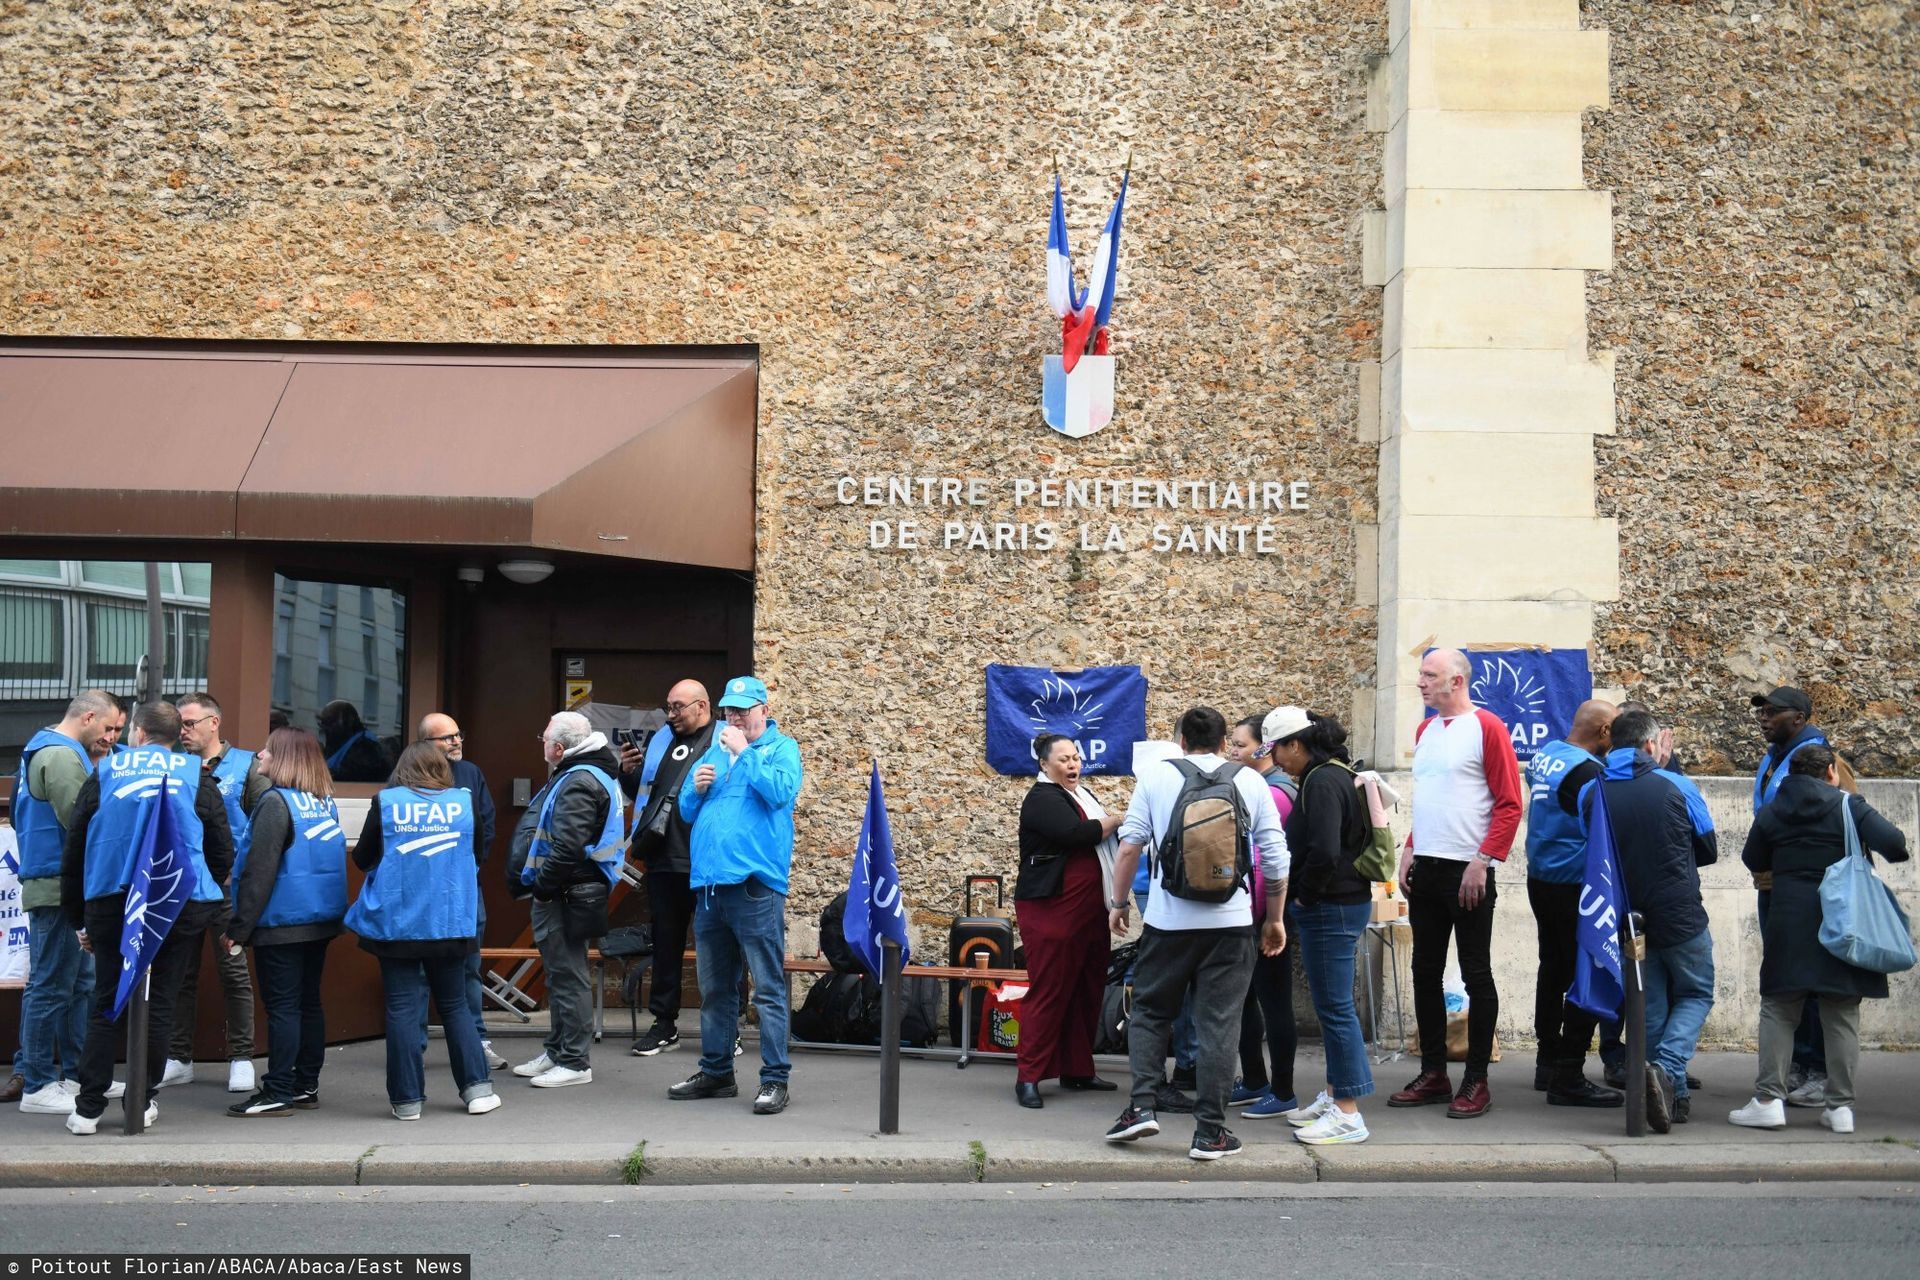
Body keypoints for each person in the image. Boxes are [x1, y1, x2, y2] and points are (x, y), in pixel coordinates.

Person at [1103, 706, 1288, 1162]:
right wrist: (1274, 918)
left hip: (1169, 924)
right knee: (1220, 1025)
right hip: (1231, 926)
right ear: (1225, 743)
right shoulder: (1250, 781)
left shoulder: (1157, 778)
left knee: (1149, 1012)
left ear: (1180, 740)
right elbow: (1276, 857)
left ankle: (1141, 1107)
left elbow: (1129, 847)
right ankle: (1210, 1132)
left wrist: (1119, 903)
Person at [60, 700, 234, 1135]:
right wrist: (201, 891)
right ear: (177, 735)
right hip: (179, 901)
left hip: (111, 897)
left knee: (105, 1002)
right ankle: (143, 1098)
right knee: (161, 1004)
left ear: (137, 731)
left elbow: (75, 847)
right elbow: (222, 847)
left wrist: (78, 917)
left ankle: (88, 1108)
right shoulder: (197, 776)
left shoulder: (103, 774)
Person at [1730, 745, 1909, 1134]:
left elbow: (1752, 858)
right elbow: (1895, 845)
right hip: (1842, 919)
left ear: (1792, 774)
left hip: (1789, 918)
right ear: (1831, 771)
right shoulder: (1848, 805)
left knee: (1780, 1008)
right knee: (1841, 1011)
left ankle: (1768, 1101)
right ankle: (1840, 1108)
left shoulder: (1773, 810)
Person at [1389, 648, 1521, 1119]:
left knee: (1475, 973)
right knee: (1424, 971)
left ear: (1457, 682)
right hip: (1426, 865)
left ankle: (1477, 1080)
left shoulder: (1488, 728)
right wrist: (1409, 847)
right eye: (1421, 674)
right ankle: (1434, 1073)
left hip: (1468, 872)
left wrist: (1482, 861)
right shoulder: (1426, 730)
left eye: (1430, 675)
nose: (1421, 682)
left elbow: (1509, 804)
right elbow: (1431, 798)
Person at [1575, 708, 1717, 1129]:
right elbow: (1707, 848)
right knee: (1696, 993)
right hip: (1680, 913)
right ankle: (1670, 1070)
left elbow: (1594, 849)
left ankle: (1669, 1098)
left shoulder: (1591, 791)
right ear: (1652, 745)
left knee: (1649, 1005)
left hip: (1626, 918)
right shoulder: (1677, 785)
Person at [668, 676, 804, 1116]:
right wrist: (698, 786)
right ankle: (717, 1072)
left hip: (754, 885)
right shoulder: (713, 752)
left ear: (763, 709)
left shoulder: (782, 750)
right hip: (709, 887)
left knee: (766, 988)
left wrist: (745, 754)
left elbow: (780, 792)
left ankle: (774, 1079)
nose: (735, 717)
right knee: (715, 989)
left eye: (744, 709)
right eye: (729, 710)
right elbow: (686, 810)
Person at [346, 742, 500, 1120]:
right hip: (449, 921)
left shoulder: (386, 802)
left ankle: (407, 1102)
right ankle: (478, 1091)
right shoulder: (463, 803)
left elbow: (363, 857)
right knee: (454, 1005)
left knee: (401, 1008)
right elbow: (478, 854)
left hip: (397, 923)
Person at [224, 728, 347, 1117]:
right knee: (309, 1002)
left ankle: (277, 1089)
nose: (260, 754)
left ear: (285, 758)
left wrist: (239, 929)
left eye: (269, 749)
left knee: (283, 1008)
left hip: (282, 924)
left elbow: (259, 872)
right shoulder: (323, 802)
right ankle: (304, 1083)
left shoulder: (275, 803)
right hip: (320, 920)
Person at [9, 691, 118, 1116]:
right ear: (88, 716)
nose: (111, 738)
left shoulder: (48, 749)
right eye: (108, 728)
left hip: (58, 882)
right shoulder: (59, 757)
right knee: (53, 985)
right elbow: (84, 819)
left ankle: (76, 1075)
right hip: (59, 886)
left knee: (76, 985)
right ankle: (37, 1085)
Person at [506, 712, 624, 1089]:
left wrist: (542, 886)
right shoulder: (587, 772)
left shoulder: (579, 780)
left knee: (567, 975)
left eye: (544, 738)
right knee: (559, 974)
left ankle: (574, 1061)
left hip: (565, 891)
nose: (541, 742)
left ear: (558, 748)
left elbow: (568, 847)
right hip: (571, 889)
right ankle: (558, 1050)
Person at [1011, 733, 1123, 1107]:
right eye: (1063, 759)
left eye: (1076, 758)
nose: (1073, 764)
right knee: (1051, 988)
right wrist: (1117, 819)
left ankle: (1078, 1069)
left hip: (1090, 909)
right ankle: (1028, 1077)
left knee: (1086, 987)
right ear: (1044, 765)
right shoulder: (1042, 798)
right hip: (1052, 907)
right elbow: (1076, 835)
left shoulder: (1082, 795)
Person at [163, 692, 266, 1095]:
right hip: (181, 884)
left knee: (233, 973)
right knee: (180, 973)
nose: (182, 732)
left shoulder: (247, 765)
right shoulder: (173, 766)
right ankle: (178, 1056)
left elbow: (266, 823)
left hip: (227, 887)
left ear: (213, 722)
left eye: (189, 723)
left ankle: (241, 1057)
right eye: (178, 725)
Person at [1523, 699, 1623, 1108]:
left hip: (1540, 876)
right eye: (1614, 731)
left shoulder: (1544, 756)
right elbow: (1602, 827)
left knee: (1552, 968)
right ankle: (1569, 1072)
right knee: (1586, 973)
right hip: (1574, 883)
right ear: (1603, 733)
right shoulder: (1590, 774)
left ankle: (1546, 1062)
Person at [1749, 685, 1844, 1107]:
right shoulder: (1774, 757)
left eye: (1773, 712)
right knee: (1788, 981)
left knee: (1812, 983)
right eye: (1762, 713)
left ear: (1800, 718)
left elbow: (1847, 818)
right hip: (1775, 885)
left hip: (1812, 889)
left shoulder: (1825, 763)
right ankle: (1797, 1067)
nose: (1764, 719)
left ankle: (1817, 1069)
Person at [618, 680, 717, 1057]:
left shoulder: (725, 738)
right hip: (663, 858)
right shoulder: (661, 739)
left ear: (702, 706)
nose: (671, 715)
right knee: (666, 946)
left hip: (709, 861)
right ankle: (664, 1025)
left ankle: (725, 1028)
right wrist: (629, 771)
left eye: (678, 708)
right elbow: (645, 791)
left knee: (718, 948)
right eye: (669, 707)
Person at [1224, 713, 1298, 1120]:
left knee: (1274, 1002)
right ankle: (1254, 1080)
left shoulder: (1275, 794)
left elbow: (1272, 861)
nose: (1232, 751)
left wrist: (1273, 918)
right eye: (1232, 744)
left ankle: (1283, 1090)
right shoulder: (1258, 787)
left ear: (1264, 748)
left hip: (1267, 917)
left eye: (1239, 744)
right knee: (1247, 1000)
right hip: (1252, 914)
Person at [419, 713, 503, 1070]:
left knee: (469, 967)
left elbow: (486, 823)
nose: (456, 742)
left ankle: (477, 1041)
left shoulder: (469, 773)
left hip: (467, 888)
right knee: (418, 970)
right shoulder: (408, 776)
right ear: (426, 745)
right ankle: (414, 1045)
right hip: (423, 891)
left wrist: (471, 868)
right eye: (446, 738)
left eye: (458, 735)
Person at [318, 700, 391, 783]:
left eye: (330, 721)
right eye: (323, 723)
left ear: (349, 720)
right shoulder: (342, 741)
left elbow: (349, 777)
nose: (326, 728)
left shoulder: (365, 746)